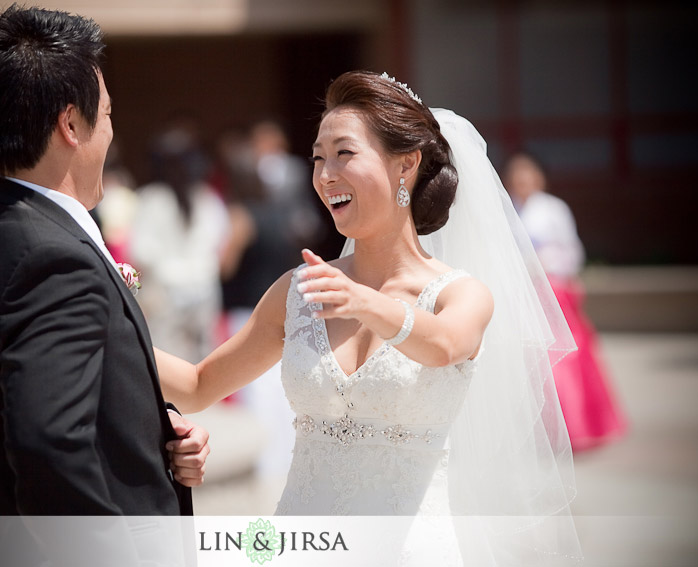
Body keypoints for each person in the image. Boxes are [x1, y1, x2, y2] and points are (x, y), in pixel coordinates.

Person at [155, 71, 582, 564]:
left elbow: (443, 345)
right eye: (317, 157)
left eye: (344, 153)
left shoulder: (461, 294)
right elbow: (198, 383)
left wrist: (365, 302)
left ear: (407, 165)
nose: (324, 174)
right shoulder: (301, 290)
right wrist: (111, 316)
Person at [0, 6, 208, 565]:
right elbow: (48, 446)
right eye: (106, 114)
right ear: (71, 124)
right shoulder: (54, 258)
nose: (110, 130)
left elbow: (23, 406)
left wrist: (151, 429)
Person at [504, 151, 627, 450]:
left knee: (565, 357)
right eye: (516, 174)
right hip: (525, 294)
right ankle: (542, 433)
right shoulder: (508, 211)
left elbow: (572, 251)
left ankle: (576, 428)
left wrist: (549, 268)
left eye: (527, 173)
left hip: (554, 291)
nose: (521, 180)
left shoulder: (553, 209)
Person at [130, 123, 229, 363]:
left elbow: (141, 251)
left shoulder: (151, 200)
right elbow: (220, 243)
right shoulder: (203, 198)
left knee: (171, 361)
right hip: (198, 287)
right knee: (201, 362)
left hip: (170, 290)